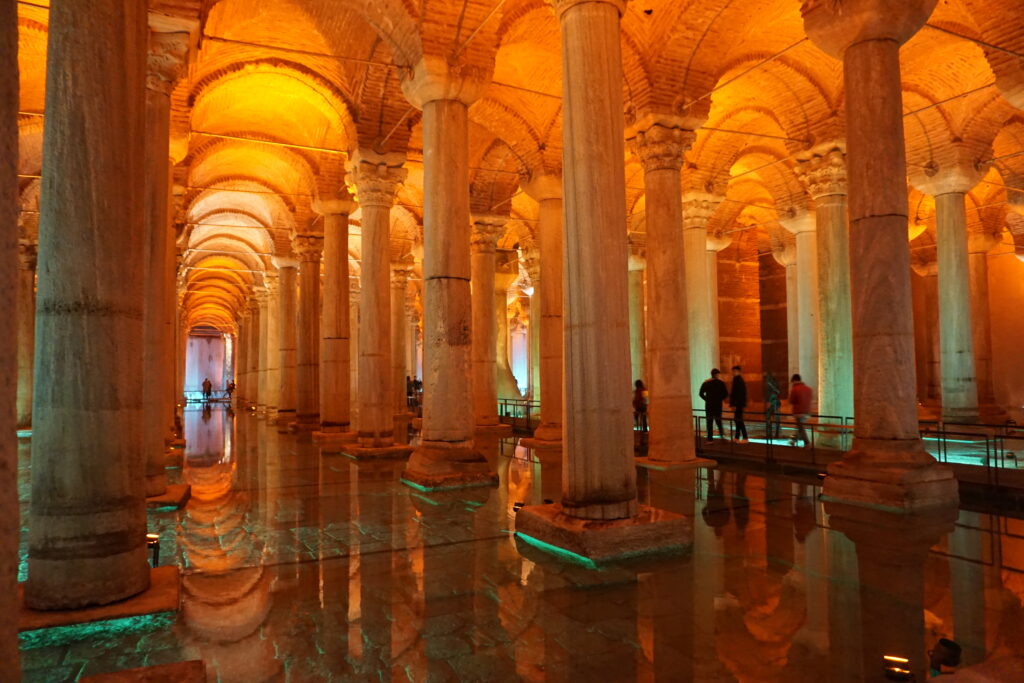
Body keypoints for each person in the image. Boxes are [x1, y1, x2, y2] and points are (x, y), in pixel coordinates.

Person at [699, 368, 729, 441]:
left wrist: (707, 399)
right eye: (718, 374)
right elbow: (726, 394)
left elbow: (701, 393)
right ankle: (722, 436)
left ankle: (710, 439)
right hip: (718, 405)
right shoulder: (721, 383)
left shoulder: (706, 383)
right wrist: (719, 399)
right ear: (716, 375)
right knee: (718, 421)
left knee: (709, 422)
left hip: (709, 405)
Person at [788, 373, 813, 447]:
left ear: (794, 380)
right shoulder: (808, 389)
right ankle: (793, 441)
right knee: (799, 427)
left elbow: (791, 401)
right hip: (807, 412)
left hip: (799, 412)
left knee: (801, 428)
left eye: (792, 382)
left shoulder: (794, 389)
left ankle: (807, 443)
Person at [729, 365, 748, 442]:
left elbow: (739, 394)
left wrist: (735, 404)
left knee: (739, 420)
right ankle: (737, 437)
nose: (733, 373)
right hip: (738, 404)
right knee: (737, 420)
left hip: (738, 404)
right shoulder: (737, 379)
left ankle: (745, 437)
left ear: (738, 371)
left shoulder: (739, 380)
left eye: (734, 371)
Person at [763, 371, 781, 439]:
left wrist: (768, 402)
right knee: (776, 419)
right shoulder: (774, 382)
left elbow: (768, 393)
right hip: (776, 402)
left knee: (769, 418)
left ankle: (769, 434)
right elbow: (778, 392)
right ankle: (776, 434)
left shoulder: (768, 383)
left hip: (771, 402)